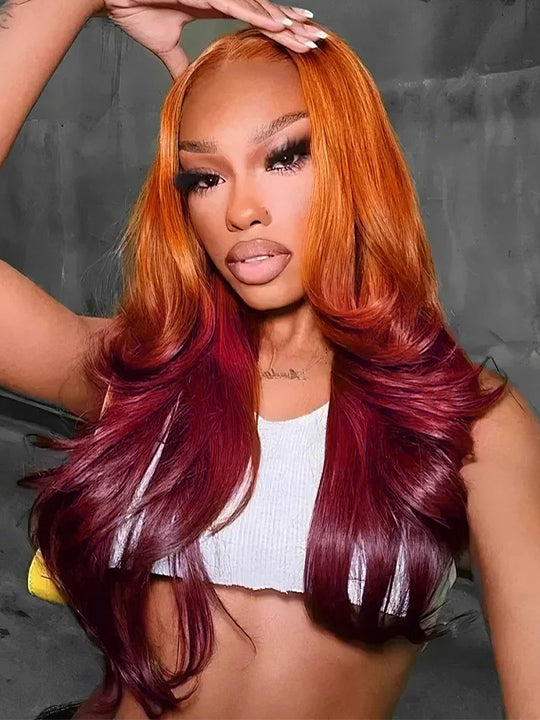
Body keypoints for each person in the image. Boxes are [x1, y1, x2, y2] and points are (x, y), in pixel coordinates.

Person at [2, 0, 540, 718]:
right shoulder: (145, 373)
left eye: (284, 157)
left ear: (355, 166)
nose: (241, 211)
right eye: (204, 177)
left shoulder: (472, 424)